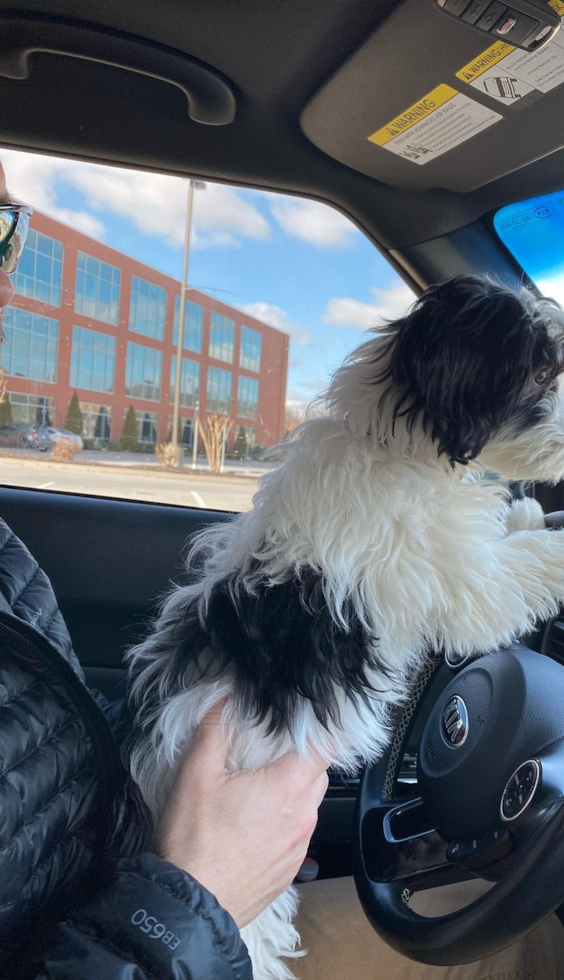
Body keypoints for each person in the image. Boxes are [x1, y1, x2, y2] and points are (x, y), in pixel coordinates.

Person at [0, 161, 329, 978]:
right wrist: (195, 893)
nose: (6, 286)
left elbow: (49, 745)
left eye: (6, 234)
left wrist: (218, 791)